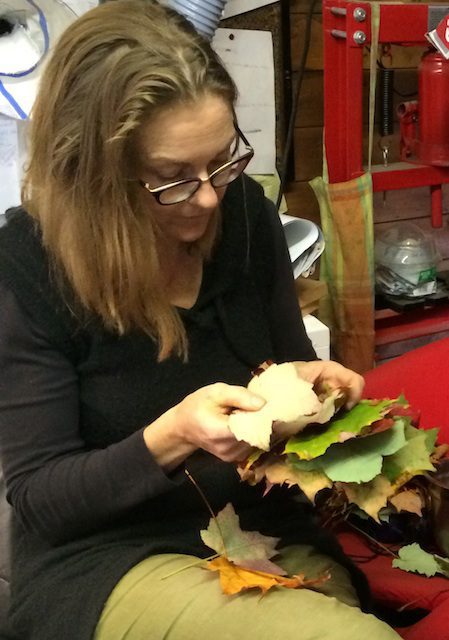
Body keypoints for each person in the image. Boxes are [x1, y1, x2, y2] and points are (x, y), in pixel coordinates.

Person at [0, 1, 401, 639]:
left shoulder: (244, 214)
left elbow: (285, 372)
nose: (210, 195)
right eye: (171, 179)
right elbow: (42, 501)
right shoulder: (29, 262)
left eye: (222, 160)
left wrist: (318, 396)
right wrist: (175, 435)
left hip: (261, 528)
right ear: (96, 176)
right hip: (110, 557)